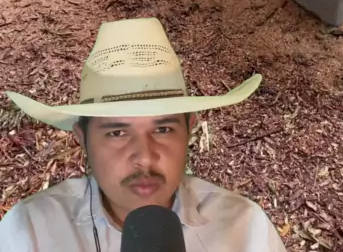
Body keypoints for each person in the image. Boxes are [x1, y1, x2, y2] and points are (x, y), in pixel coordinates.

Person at [0, 17, 285, 252]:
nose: (145, 157)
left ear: (189, 130)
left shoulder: (245, 231)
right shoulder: (30, 233)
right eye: (117, 133)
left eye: (163, 129)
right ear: (82, 138)